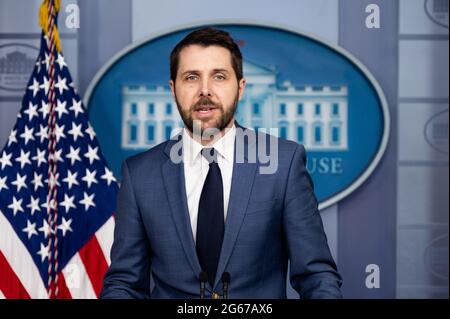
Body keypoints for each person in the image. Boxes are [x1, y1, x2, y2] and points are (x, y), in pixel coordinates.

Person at [101, 27, 342, 299]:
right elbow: (124, 284)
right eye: (191, 77)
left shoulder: (284, 164)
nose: (205, 90)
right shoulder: (139, 174)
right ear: (173, 88)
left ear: (240, 88)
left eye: (219, 76)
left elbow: (317, 277)